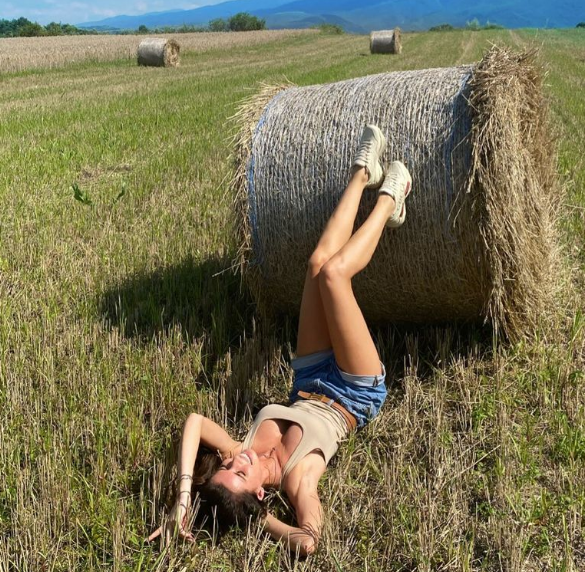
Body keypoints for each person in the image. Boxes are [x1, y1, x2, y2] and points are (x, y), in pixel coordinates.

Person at [147, 125, 412, 555]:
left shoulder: (240, 449)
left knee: (317, 265)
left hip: (309, 375)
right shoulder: (297, 480)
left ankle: (364, 173)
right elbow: (308, 542)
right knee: (334, 276)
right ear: (256, 495)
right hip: (353, 392)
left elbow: (194, 422)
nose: (237, 460)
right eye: (239, 473)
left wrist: (182, 498)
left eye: (227, 466)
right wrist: (261, 519)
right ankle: (389, 201)